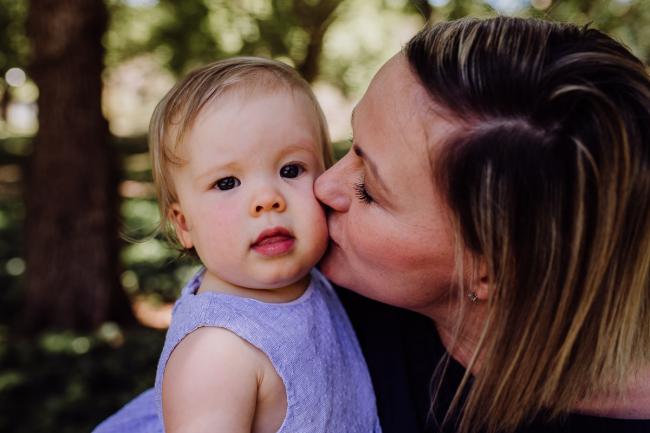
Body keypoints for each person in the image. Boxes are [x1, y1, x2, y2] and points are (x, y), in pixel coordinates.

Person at [315, 16, 650, 433]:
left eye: (368, 190)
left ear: (496, 267)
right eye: (351, 145)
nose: (323, 185)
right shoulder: (300, 285)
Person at [93, 57, 381, 433]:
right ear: (184, 225)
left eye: (290, 170)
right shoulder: (216, 356)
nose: (267, 199)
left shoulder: (319, 280)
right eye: (227, 183)